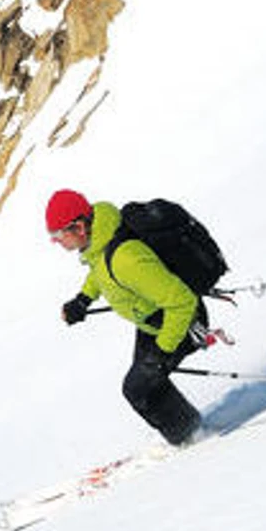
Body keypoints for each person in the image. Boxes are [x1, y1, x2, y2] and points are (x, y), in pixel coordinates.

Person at [46, 188, 222, 446]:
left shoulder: (127, 259)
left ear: (79, 228)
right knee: (145, 383)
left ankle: (194, 441)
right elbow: (100, 271)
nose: (55, 241)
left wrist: (162, 352)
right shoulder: (101, 244)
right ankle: (190, 428)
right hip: (152, 323)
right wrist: (83, 300)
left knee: (138, 387)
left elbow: (182, 301)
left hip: (180, 324)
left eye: (58, 234)